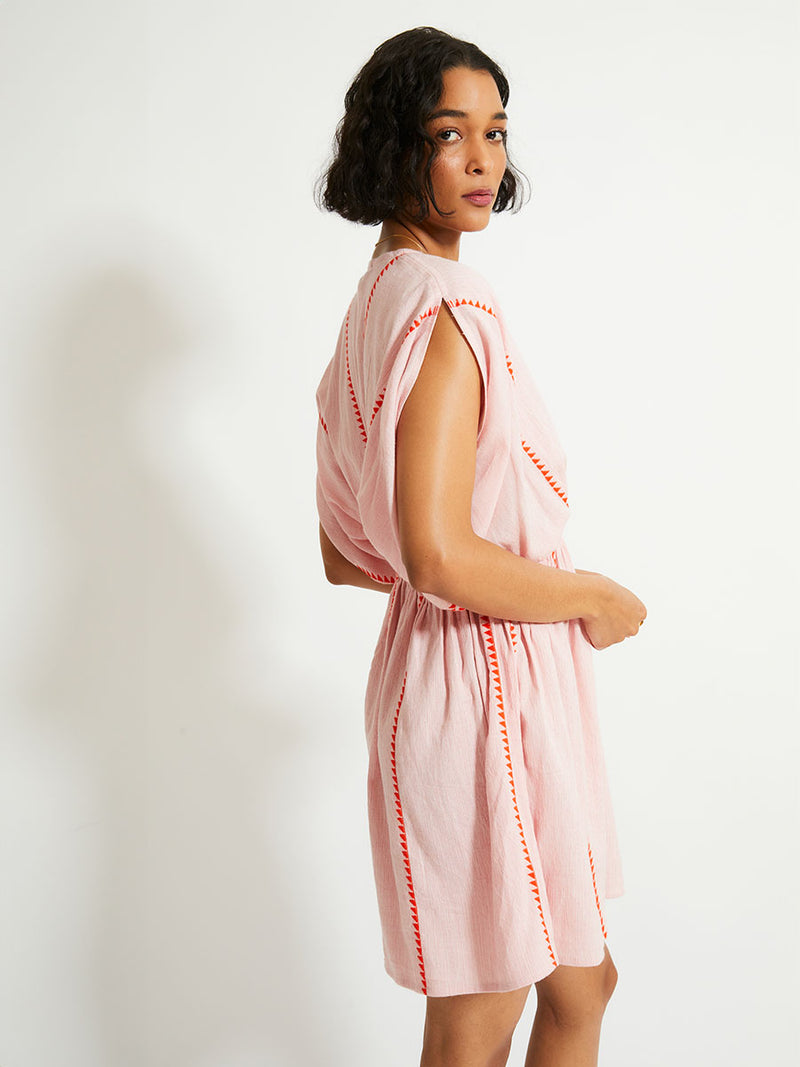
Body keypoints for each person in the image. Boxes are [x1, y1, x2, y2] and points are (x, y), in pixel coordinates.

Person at [312, 26, 647, 1067]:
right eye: (447, 133)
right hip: (480, 679)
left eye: (494, 132)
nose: (480, 160)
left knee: (579, 977)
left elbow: (344, 550)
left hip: (458, 672)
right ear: (391, 148)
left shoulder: (372, 309)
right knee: (477, 1012)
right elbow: (434, 554)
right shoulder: (445, 306)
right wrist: (586, 592)